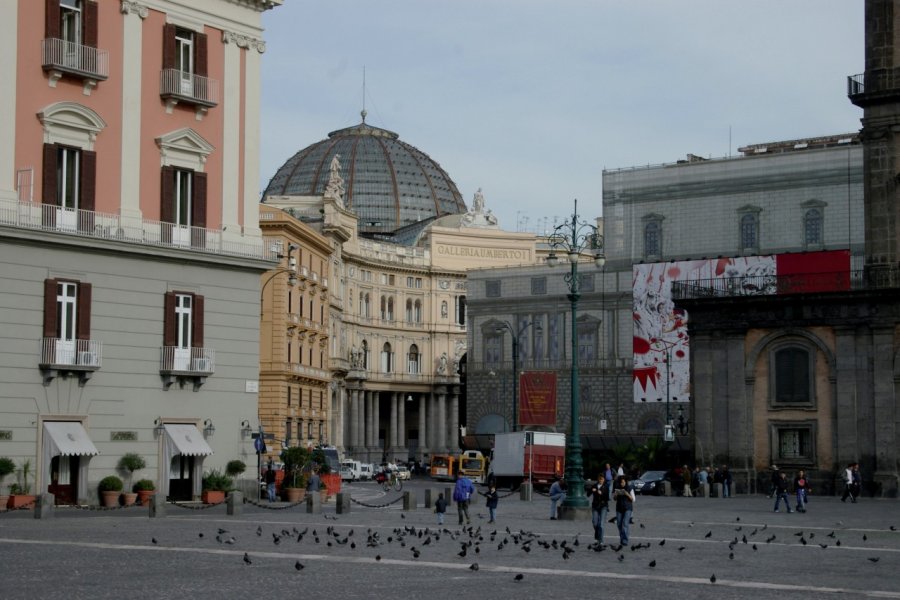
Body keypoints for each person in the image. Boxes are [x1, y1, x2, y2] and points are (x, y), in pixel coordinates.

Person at [613, 475, 636, 546]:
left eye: (623, 482)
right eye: (621, 482)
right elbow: (614, 499)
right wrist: (616, 495)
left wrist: (627, 494)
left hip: (627, 508)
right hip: (619, 508)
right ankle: (622, 538)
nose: (622, 484)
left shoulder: (629, 488)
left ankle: (625, 540)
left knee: (625, 524)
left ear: (626, 482)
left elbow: (633, 499)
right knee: (619, 524)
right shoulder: (618, 488)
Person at [589, 475, 610, 545]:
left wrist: (602, 494)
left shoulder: (606, 487)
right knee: (595, 523)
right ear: (598, 479)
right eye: (600, 479)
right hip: (595, 506)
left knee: (601, 524)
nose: (601, 481)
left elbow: (607, 498)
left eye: (602, 479)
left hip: (603, 506)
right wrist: (591, 490)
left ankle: (600, 541)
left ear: (604, 480)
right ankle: (598, 537)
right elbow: (588, 494)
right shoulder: (594, 486)